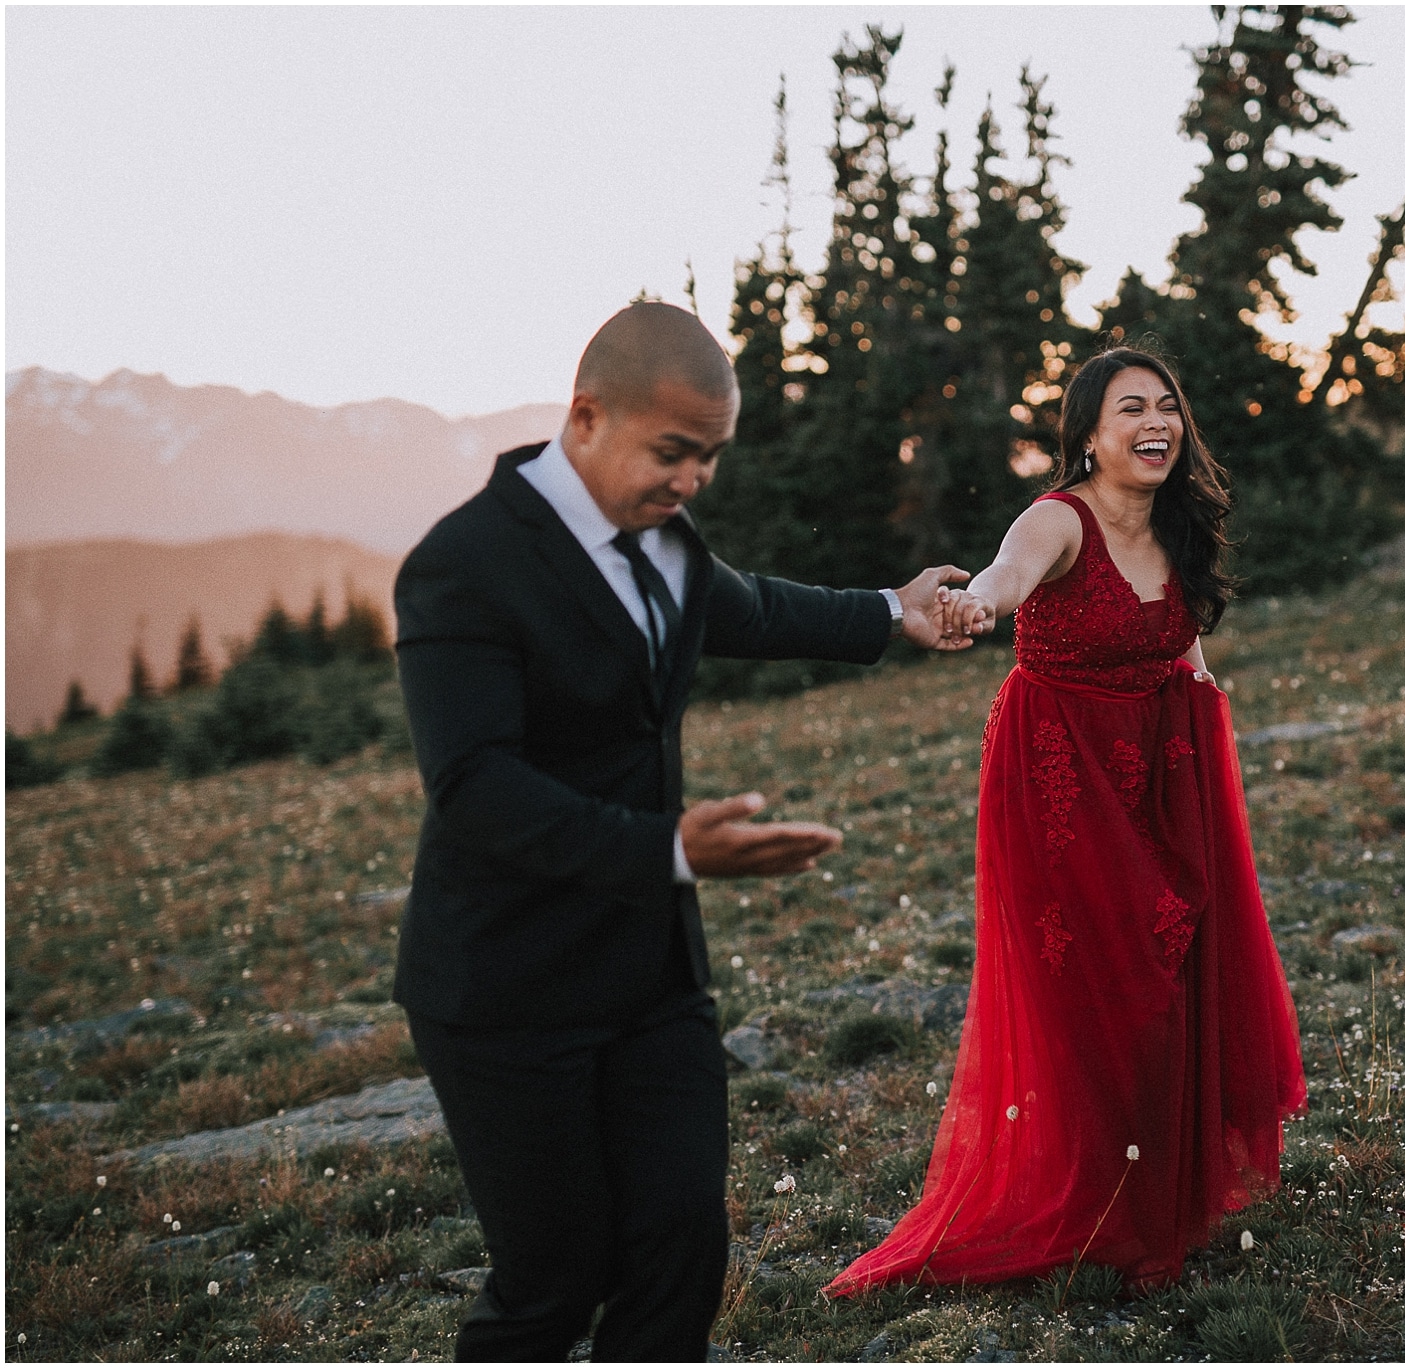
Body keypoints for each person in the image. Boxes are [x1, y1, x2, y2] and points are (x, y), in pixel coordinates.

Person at [391, 301, 968, 1361]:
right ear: (585, 417)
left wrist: (893, 608)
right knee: (552, 1288)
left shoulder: (660, 535)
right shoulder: (462, 565)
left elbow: (742, 609)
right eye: (673, 452)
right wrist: (667, 852)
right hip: (505, 988)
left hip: (649, 974)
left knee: (679, 1250)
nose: (692, 480)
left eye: (708, 458)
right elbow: (473, 788)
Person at [825, 346, 1305, 1295]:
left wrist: (1203, 693)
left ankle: (1158, 1193)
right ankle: (1092, 1201)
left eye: (1167, 406)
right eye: (1131, 409)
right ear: (1089, 435)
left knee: (1175, 971)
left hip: (1165, 774)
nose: (1154, 423)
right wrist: (972, 606)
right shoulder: (1056, 520)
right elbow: (1006, 577)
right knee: (1100, 985)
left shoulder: (1176, 528)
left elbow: (1180, 635)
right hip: (1061, 780)